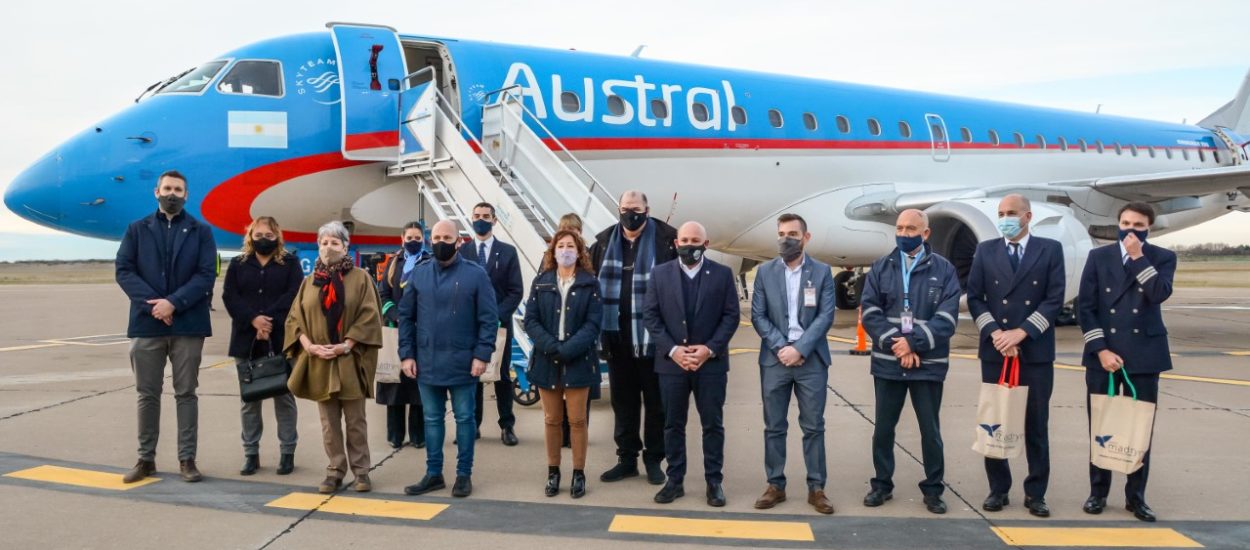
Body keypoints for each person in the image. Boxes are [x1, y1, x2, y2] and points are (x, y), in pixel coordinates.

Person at [966, 194, 1065, 517]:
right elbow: (976, 298)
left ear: (1028, 216)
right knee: (996, 421)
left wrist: (1020, 332)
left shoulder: (1049, 250)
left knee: (1036, 425)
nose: (1005, 218)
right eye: (1001, 213)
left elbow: (1054, 299)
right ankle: (998, 489)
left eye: (1011, 213)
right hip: (996, 350)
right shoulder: (986, 250)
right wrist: (996, 333)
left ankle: (1036, 492)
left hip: (1033, 351)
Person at [115, 170, 217, 484]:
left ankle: (187, 459)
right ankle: (146, 459)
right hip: (147, 324)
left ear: (187, 195)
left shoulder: (201, 232)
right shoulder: (136, 230)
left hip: (188, 324)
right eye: (167, 188)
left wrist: (173, 303)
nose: (172, 194)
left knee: (186, 393)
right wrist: (155, 305)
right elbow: (124, 270)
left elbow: (205, 275)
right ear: (156, 191)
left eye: (178, 189)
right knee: (147, 395)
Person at [859, 209, 962, 515]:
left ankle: (933, 489)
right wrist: (898, 345)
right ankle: (881, 485)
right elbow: (871, 311)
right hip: (888, 363)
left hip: (927, 365)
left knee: (930, 430)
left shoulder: (944, 270)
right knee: (883, 429)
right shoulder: (881, 267)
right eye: (900, 228)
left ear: (925, 233)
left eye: (911, 228)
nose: (904, 233)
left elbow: (947, 318)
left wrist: (914, 342)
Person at [1077, 202, 1175, 523]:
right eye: (1124, 222)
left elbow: (1158, 293)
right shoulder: (1098, 257)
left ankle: (1136, 496)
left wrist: (1137, 257)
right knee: (1102, 426)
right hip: (1103, 354)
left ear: (1149, 228)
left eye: (1137, 224)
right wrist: (1101, 350)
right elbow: (1086, 308)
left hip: (1144, 354)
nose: (1129, 229)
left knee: (1139, 427)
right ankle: (1098, 493)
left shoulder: (1162, 258)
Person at [642, 222, 740, 506]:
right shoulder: (660, 275)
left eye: (695, 240)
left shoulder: (722, 275)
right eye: (684, 239)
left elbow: (731, 316)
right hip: (672, 364)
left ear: (706, 244)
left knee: (713, 424)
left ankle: (714, 481)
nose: (689, 245)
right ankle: (675, 480)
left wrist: (709, 349)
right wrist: (673, 350)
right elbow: (651, 316)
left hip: (710, 365)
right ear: (675, 243)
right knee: (673, 424)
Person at [400, 220, 499, 498]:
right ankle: (434, 474)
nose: (442, 242)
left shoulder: (476, 275)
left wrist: (482, 354)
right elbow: (406, 317)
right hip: (427, 360)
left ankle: (463, 474)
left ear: (459, 241)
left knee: (465, 419)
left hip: (464, 361)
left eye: (448, 237)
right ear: (431, 240)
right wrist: (406, 354)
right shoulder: (419, 274)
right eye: (437, 237)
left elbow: (489, 319)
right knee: (432, 419)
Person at [285, 221, 383, 494]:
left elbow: (370, 315)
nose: (329, 248)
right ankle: (335, 470)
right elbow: (295, 319)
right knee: (328, 423)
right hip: (319, 359)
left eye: (335, 243)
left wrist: (347, 345)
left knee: (355, 421)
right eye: (324, 243)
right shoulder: (309, 282)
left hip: (348, 359)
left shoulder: (361, 278)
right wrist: (308, 346)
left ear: (346, 246)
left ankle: (361, 472)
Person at [749, 213, 837, 515]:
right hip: (775, 361)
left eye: (793, 234)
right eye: (782, 233)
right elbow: (758, 316)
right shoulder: (764, 273)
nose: (786, 239)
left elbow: (826, 316)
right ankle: (775, 485)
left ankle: (817, 488)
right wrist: (781, 347)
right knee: (774, 426)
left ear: (806, 237)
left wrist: (799, 349)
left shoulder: (823, 272)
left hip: (811, 360)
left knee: (813, 426)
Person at [590, 190, 678, 485]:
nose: (631, 213)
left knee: (656, 404)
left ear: (647, 209)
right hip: (616, 337)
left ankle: (654, 459)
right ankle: (626, 458)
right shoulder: (603, 242)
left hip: (655, 338)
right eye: (625, 208)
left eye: (636, 208)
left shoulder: (667, 239)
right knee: (623, 402)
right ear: (619, 209)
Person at [523, 229, 603, 499]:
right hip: (547, 360)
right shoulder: (541, 281)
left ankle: (578, 473)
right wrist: (551, 346)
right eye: (561, 246)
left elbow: (593, 323)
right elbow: (530, 320)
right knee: (551, 420)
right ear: (553, 251)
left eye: (571, 246)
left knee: (578, 420)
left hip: (578, 359)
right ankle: (553, 471)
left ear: (579, 252)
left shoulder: (590, 283)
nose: (566, 250)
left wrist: (569, 349)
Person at [222, 216, 303, 476]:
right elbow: (230, 296)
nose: (263, 239)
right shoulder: (238, 264)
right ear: (250, 236)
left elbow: (294, 294)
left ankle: (287, 452)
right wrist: (253, 320)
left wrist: (268, 321)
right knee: (250, 400)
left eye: (269, 235)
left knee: (284, 397)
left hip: (279, 338)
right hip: (246, 340)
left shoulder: (289, 263)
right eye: (258, 235)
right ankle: (251, 453)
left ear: (277, 236)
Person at [459, 203, 524, 446]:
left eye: (486, 216)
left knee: (501, 376)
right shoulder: (463, 252)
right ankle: (473, 426)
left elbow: (516, 290)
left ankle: (507, 425)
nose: (481, 220)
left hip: (499, 326)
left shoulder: (507, 252)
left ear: (494, 220)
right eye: (476, 216)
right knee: (472, 375)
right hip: (470, 326)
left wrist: (497, 315)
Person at [377, 222, 429, 450]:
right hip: (395, 328)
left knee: (418, 385)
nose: (413, 241)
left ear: (424, 239)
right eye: (410, 237)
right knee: (395, 385)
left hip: (421, 331)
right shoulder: (393, 262)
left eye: (418, 237)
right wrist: (395, 314)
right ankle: (395, 435)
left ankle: (418, 436)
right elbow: (383, 293)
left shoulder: (430, 262)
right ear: (402, 238)